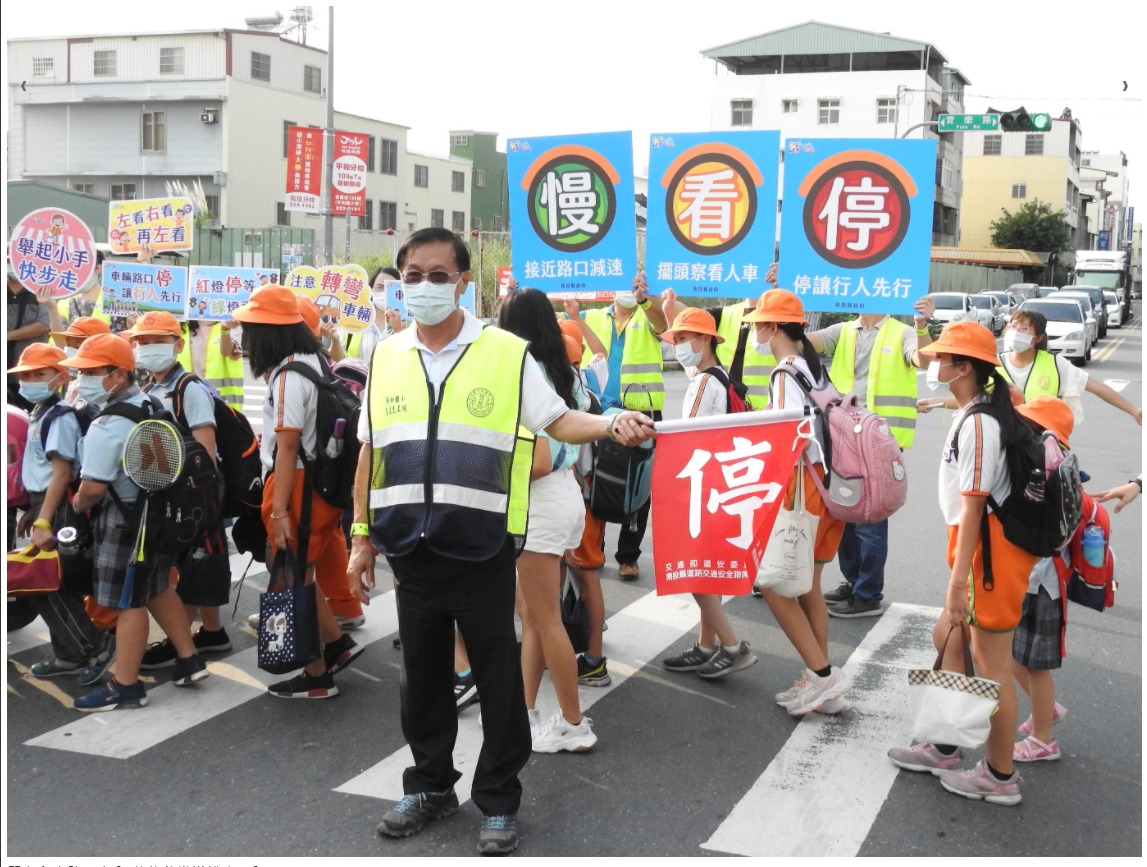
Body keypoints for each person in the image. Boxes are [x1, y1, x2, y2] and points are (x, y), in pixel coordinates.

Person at [347, 227, 655, 855]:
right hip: (411, 547)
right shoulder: (385, 355)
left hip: (482, 545)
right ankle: (430, 786)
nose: (423, 286)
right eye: (412, 274)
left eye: (438, 275)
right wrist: (361, 538)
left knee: (498, 681)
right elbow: (370, 451)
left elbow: (557, 420)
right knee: (424, 682)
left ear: (463, 281)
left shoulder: (504, 351)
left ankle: (498, 800)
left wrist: (611, 422)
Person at [887, 320, 1038, 806]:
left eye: (942, 357)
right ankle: (946, 746)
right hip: (980, 550)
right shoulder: (977, 410)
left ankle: (1000, 775)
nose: (933, 364)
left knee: (991, 667)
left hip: (986, 556)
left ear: (965, 367)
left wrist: (957, 584)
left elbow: (974, 506)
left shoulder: (979, 424)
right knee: (946, 637)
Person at [62, 333, 210, 711]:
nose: (83, 379)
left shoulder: (107, 424)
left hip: (124, 521)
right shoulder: (148, 400)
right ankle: (190, 659)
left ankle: (125, 684)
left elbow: (92, 488)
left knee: (127, 602)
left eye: (92, 371)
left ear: (118, 374)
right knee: (157, 587)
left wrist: (77, 505)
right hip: (159, 514)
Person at [230, 285, 364, 699]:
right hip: (319, 485)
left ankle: (317, 676)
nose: (246, 341)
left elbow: (286, 448)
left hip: (299, 486)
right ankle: (336, 645)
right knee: (299, 573)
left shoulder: (289, 374)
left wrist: (279, 513)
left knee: (290, 576)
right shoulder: (314, 361)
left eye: (250, 331)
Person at [743, 289, 854, 716]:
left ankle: (824, 675)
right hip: (831, 488)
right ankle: (821, 685)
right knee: (809, 589)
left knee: (772, 584)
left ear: (772, 327)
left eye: (757, 324)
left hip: (802, 491)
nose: (755, 330)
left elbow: (792, 437)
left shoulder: (785, 373)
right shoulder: (812, 369)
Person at [498, 288, 596, 753]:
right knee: (533, 615)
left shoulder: (522, 373)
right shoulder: (567, 373)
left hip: (536, 499)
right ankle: (526, 711)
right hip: (564, 496)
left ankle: (574, 724)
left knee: (544, 618)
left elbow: (535, 460)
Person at [805, 294, 936, 619]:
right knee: (846, 511)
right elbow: (805, 342)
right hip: (843, 437)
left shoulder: (900, 331)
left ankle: (868, 593)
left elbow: (924, 361)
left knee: (871, 517)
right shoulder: (844, 330)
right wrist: (794, 306)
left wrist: (922, 325)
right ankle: (854, 582)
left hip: (878, 444)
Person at [126, 312, 233, 669]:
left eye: (157, 340)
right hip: (172, 494)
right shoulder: (150, 389)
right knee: (194, 563)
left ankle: (179, 641)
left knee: (197, 563)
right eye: (142, 341)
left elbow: (207, 452)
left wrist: (206, 505)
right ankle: (213, 632)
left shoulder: (189, 388)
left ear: (178, 344)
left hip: (194, 496)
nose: (148, 348)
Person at [657, 307, 758, 678]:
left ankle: (733, 647)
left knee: (697, 575)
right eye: (676, 339)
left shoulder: (704, 383)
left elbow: (688, 437)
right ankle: (705, 645)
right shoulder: (719, 377)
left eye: (684, 339)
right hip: (721, 484)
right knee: (708, 572)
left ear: (705, 340)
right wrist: (669, 310)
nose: (679, 346)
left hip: (702, 487)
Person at [7, 343, 115, 685]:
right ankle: (70, 653)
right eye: (25, 375)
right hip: (45, 502)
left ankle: (94, 647)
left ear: (60, 376)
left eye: (40, 373)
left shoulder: (60, 416)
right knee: (49, 580)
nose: (30, 380)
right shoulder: (42, 411)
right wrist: (34, 511)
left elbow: (61, 473)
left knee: (48, 582)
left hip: (59, 505)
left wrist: (43, 517)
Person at [580, 273, 668, 580]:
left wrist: (645, 300)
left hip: (640, 410)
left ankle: (628, 556)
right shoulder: (589, 315)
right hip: (599, 409)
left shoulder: (649, 313)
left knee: (639, 482)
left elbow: (663, 325)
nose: (628, 289)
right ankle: (596, 547)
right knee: (596, 478)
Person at [919, 308, 1142, 427]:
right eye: (1013, 326)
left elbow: (1098, 388)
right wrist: (935, 403)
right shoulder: (995, 362)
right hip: (1002, 442)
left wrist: (1135, 411)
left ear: (1038, 338)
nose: (1016, 331)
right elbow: (975, 399)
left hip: (1042, 448)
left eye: (1024, 328)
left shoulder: (1056, 364)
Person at [1008, 396, 1076, 764]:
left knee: (1034, 663)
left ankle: (1044, 739)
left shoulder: (1042, 466)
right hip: (1043, 578)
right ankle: (1044, 710)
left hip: (1041, 580)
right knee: (1012, 652)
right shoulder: (1058, 459)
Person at [558, 309, 612, 687]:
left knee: (587, 576)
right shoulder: (589, 387)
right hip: (591, 500)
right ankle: (563, 647)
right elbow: (602, 354)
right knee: (576, 575)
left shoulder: (565, 399)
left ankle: (593, 659)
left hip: (579, 502)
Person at [8, 266, 53, 410]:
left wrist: (8, 336)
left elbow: (43, 325)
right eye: (8, 261)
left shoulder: (40, 289)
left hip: (31, 371)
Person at [177, 318, 245, 412]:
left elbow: (227, 352)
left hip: (221, 400)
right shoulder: (182, 323)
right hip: (188, 393)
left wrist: (225, 330)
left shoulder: (231, 322)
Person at [348, 267, 404, 361]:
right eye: (380, 287)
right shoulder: (357, 319)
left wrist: (399, 331)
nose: (385, 292)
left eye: (390, 287)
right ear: (371, 289)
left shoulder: (408, 321)